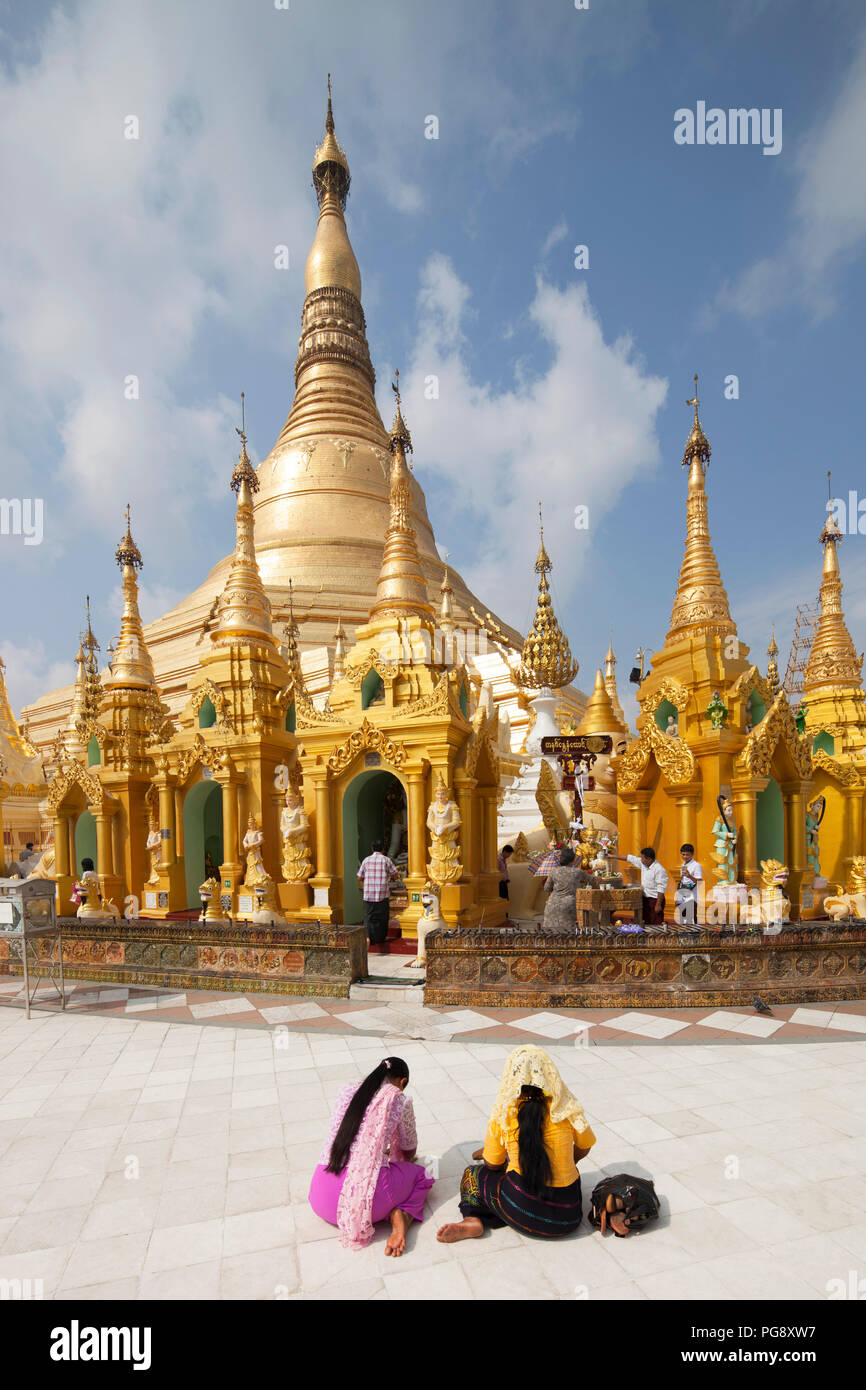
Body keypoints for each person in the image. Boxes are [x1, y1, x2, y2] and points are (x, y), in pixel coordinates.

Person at [437, 1045, 596, 1242]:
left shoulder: (505, 1111)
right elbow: (585, 1145)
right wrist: (565, 1161)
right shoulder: (566, 1108)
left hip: (521, 1209)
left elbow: (492, 1164)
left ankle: (473, 1219)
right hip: (568, 1217)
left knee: (473, 1174)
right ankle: (499, 1211)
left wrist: (500, 1157)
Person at [309, 1056, 434, 1254]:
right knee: (423, 1175)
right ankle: (401, 1215)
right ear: (402, 1082)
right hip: (366, 1204)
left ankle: (389, 1209)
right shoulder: (399, 1098)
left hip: (320, 1197)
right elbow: (409, 1149)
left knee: (381, 1171)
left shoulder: (347, 1091)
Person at [542, 846, 597, 931]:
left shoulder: (553, 871)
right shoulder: (577, 872)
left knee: (551, 936)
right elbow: (593, 880)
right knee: (567, 935)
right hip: (568, 905)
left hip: (552, 905)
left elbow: (546, 888)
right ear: (573, 860)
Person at [611, 846, 668, 926]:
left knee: (655, 925)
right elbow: (629, 858)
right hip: (645, 899)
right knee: (645, 923)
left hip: (655, 900)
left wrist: (658, 904)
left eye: (643, 858)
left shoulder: (659, 870)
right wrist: (613, 856)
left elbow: (661, 888)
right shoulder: (644, 864)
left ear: (649, 859)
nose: (641, 860)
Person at [357, 838, 399, 944]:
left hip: (369, 894)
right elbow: (395, 874)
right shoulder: (386, 860)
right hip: (382, 894)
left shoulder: (366, 860)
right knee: (383, 917)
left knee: (368, 917)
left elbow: (359, 877)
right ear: (383, 849)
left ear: (372, 848)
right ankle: (380, 938)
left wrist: (367, 878)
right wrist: (391, 876)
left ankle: (368, 937)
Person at [674, 842, 703, 925]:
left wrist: (690, 876)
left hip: (692, 897)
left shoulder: (696, 865)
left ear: (692, 854)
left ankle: (694, 937)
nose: (685, 857)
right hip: (683, 896)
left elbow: (700, 882)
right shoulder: (683, 865)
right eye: (683, 854)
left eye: (687, 855)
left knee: (691, 920)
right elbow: (682, 882)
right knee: (683, 919)